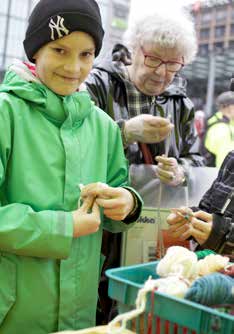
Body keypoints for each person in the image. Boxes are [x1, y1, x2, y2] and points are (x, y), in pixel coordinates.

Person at [0, 0, 143, 333]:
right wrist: (64, 226)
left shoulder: (104, 128)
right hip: (13, 314)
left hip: (80, 314)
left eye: (86, 54)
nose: (74, 67)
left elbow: (117, 194)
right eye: (59, 50)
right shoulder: (6, 115)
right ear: (35, 51)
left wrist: (127, 202)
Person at [85, 9, 204, 323]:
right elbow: (76, 146)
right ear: (133, 50)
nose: (162, 74)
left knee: (147, 311)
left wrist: (181, 171)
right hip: (103, 229)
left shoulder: (181, 103)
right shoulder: (97, 83)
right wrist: (123, 132)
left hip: (157, 232)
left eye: (173, 64)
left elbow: (196, 158)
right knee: (100, 309)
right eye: (154, 59)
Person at [167, 150, 234, 256]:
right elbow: (207, 209)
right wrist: (189, 218)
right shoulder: (232, 158)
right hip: (207, 264)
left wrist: (221, 236)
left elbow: (218, 232)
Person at [203, 91, 234, 167]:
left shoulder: (227, 125)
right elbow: (224, 160)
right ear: (230, 108)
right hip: (222, 176)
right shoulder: (221, 129)